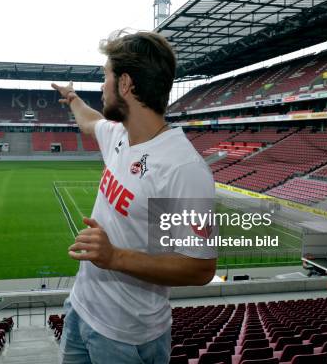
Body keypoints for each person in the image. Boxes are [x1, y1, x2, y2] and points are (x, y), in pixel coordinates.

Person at [51, 30, 217, 364]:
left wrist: (114, 257)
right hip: (81, 310)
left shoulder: (181, 168)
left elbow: (199, 268)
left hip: (126, 337)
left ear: (125, 83)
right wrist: (72, 98)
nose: (102, 87)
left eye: (106, 77)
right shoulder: (119, 136)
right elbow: (90, 122)